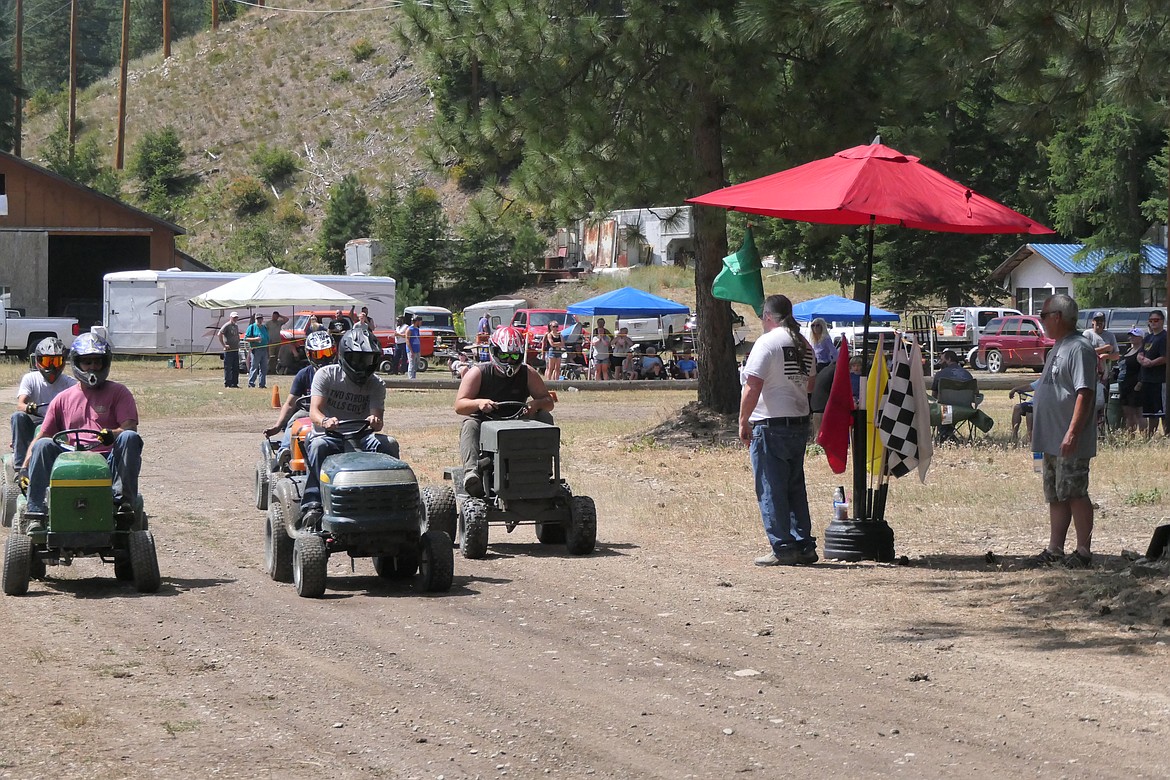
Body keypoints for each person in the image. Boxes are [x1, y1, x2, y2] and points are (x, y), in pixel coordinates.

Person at [21, 333, 143, 533]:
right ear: (77, 363)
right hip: (70, 458)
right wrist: (24, 469)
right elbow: (42, 436)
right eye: (87, 362)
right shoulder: (62, 398)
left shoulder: (119, 392)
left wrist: (113, 434)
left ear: (105, 362)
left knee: (130, 437)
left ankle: (123, 505)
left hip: (108, 460)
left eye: (97, 361)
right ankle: (36, 514)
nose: (92, 367)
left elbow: (129, 427)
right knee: (44, 445)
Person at [738, 294, 817, 567]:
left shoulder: (767, 342)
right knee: (795, 487)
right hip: (798, 422)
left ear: (768, 317)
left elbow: (753, 385)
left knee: (771, 487)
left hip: (771, 423)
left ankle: (782, 547)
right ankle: (804, 544)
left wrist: (743, 420)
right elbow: (810, 384)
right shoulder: (803, 344)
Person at [1024, 293, 1098, 569]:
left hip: (1068, 438)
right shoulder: (1058, 346)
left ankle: (1084, 551)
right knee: (1055, 493)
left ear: (1057, 316)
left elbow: (1085, 393)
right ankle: (1055, 548)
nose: (1041, 321)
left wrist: (1073, 433)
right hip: (1049, 438)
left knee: (1075, 491)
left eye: (1043, 315)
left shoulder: (1079, 348)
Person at [299, 327, 400, 528]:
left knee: (389, 444)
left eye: (368, 359)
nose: (363, 365)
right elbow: (315, 411)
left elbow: (377, 418)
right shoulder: (326, 375)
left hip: (362, 436)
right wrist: (326, 421)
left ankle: (389, 498)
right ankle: (313, 504)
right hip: (329, 434)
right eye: (358, 359)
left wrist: (375, 420)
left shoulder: (376, 383)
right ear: (345, 356)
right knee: (319, 447)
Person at [455, 326, 555, 497]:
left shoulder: (527, 373)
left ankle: (543, 466)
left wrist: (536, 404)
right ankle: (472, 473)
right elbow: (459, 405)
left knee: (544, 416)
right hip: (485, 422)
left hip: (518, 422)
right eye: (504, 355)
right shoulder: (478, 372)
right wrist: (479, 403)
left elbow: (548, 402)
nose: (509, 360)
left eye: (514, 356)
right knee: (469, 424)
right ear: (494, 352)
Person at [11, 337, 77, 475]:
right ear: (38, 361)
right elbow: (20, 404)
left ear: (63, 362)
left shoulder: (70, 383)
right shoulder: (30, 378)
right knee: (18, 416)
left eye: (56, 361)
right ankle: (20, 468)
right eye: (47, 361)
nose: (52, 367)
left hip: (59, 426)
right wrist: (29, 407)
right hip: (35, 423)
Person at [264, 330, 336, 452]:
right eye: (318, 354)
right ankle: (285, 451)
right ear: (309, 354)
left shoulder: (341, 373)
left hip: (335, 412)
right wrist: (278, 426)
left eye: (327, 353)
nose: (323, 358)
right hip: (307, 412)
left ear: (334, 352)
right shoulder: (304, 374)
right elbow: (291, 403)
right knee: (293, 425)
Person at [930, 349, 975, 444]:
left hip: (945, 410)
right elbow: (975, 393)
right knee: (947, 409)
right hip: (965, 409)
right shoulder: (967, 374)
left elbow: (934, 396)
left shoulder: (940, 375)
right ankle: (948, 435)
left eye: (942, 360)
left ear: (949, 359)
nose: (940, 362)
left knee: (943, 409)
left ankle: (945, 436)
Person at [1082, 310, 1119, 422]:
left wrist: (1106, 356)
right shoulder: (1087, 334)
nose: (1099, 323)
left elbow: (1116, 355)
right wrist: (1104, 349)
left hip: (1103, 377)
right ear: (1092, 321)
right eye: (1096, 320)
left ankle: (1101, 430)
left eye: (1101, 321)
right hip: (1088, 375)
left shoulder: (1110, 335)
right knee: (1088, 404)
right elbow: (1084, 351)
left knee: (1102, 404)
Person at [1137, 309, 1167, 437]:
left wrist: (1152, 363)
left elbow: (1165, 357)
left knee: (1163, 411)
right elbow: (1140, 353)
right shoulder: (1148, 337)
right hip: (1147, 379)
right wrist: (1141, 359)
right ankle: (1149, 437)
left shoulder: (1164, 337)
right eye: (1151, 321)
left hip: (1160, 380)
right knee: (1151, 412)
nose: (1153, 323)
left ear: (1162, 321)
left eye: (1156, 320)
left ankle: (1167, 435)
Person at [1117, 327, 1145, 432]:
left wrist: (1140, 382)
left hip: (1136, 385)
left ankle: (1145, 436)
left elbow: (1144, 369)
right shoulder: (1129, 350)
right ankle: (1130, 437)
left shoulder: (1142, 352)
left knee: (1138, 412)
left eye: (1135, 336)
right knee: (1128, 413)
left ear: (1141, 338)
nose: (1131, 338)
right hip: (1125, 384)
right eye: (1131, 335)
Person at [244, 313, 270, 388]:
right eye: (258, 319)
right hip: (256, 350)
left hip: (264, 349)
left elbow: (267, 338)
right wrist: (255, 339)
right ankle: (251, 383)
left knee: (264, 367)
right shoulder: (251, 327)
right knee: (254, 367)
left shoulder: (264, 327)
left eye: (260, 318)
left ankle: (262, 384)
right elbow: (246, 338)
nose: (259, 320)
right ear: (255, 319)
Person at [219, 312, 242, 388]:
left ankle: (234, 383)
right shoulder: (227, 325)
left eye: (236, 317)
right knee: (228, 367)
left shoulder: (236, 326)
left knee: (236, 367)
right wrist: (224, 345)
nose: (235, 319)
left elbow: (236, 335)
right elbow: (219, 334)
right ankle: (227, 383)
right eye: (234, 317)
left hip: (235, 349)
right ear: (230, 317)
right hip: (229, 350)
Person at [407, 315, 423, 379]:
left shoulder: (417, 329)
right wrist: (411, 351)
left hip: (417, 350)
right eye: (420, 321)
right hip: (412, 350)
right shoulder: (410, 329)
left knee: (416, 364)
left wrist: (419, 350)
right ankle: (411, 379)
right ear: (417, 321)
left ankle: (414, 377)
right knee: (412, 365)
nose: (421, 323)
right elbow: (407, 340)